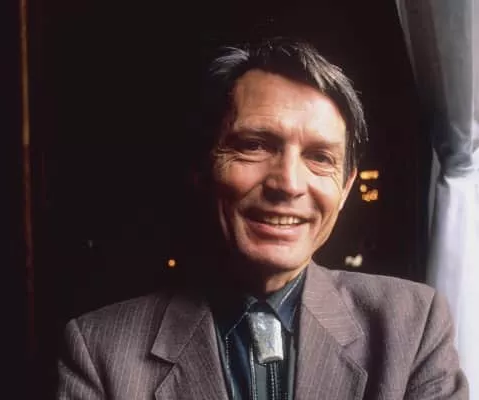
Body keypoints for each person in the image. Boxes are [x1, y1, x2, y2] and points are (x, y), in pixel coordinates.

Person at [57, 38, 468, 400]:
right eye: (254, 145)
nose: (288, 184)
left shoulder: (413, 326)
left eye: (319, 157)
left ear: (345, 190)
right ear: (202, 168)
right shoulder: (99, 351)